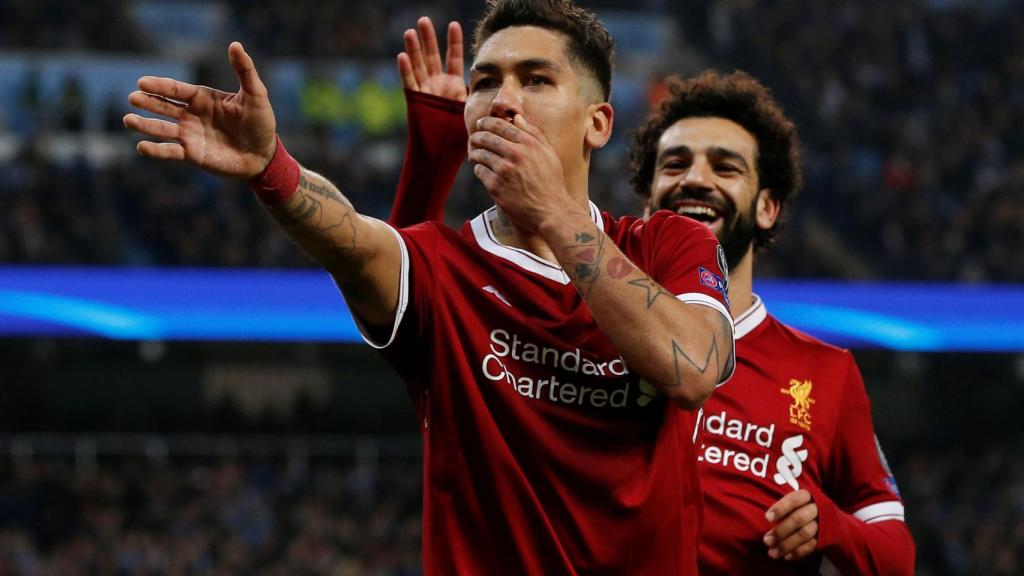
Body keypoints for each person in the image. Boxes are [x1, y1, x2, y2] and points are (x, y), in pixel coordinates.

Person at [123, 0, 734, 574]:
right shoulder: (440, 263)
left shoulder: (670, 245)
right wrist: (271, 167)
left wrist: (555, 212)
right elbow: (354, 241)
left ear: (597, 123)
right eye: (486, 82)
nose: (503, 101)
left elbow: (692, 369)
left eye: (537, 80)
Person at [390, 19, 915, 576]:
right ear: (647, 200)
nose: (695, 179)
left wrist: (827, 522)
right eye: (674, 163)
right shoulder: (577, 323)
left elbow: (895, 555)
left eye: (725, 167)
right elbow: (416, 304)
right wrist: (432, 160)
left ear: (767, 206)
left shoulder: (823, 372)